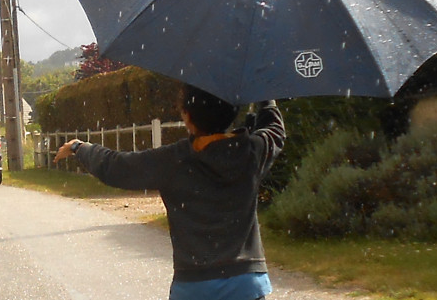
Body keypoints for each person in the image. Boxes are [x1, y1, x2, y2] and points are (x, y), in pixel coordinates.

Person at [54, 85, 285, 300]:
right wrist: (265, 96)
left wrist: (80, 148)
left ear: (187, 116)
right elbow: (275, 129)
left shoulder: (172, 160)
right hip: (246, 283)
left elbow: (115, 167)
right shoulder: (252, 151)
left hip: (195, 286)